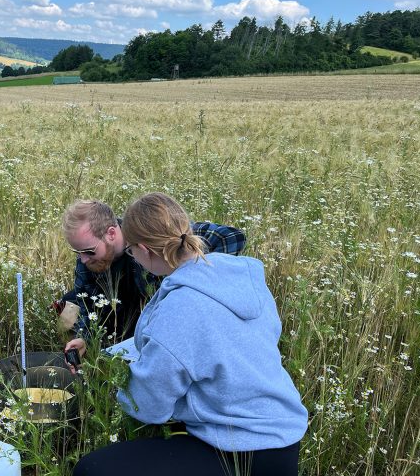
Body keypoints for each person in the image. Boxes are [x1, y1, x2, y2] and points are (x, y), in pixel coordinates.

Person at [72, 192, 307, 476]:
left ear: (144, 250)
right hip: (283, 439)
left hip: (241, 450)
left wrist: (115, 380)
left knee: (92, 469)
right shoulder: (242, 280)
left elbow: (149, 406)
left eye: (132, 252)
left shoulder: (179, 307)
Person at [56, 199, 246, 345]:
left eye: (89, 251)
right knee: (68, 308)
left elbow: (231, 237)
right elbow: (87, 305)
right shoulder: (87, 256)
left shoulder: (147, 236)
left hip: (162, 329)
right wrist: (84, 340)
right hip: (120, 333)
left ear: (112, 234)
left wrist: (192, 272)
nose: (83, 259)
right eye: (78, 252)